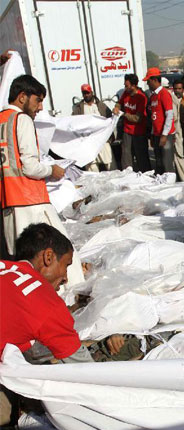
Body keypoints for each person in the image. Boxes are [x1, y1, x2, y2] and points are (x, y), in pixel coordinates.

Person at [0, 223, 92, 363]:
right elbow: (87, 371)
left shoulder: (4, 267)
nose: (66, 278)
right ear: (48, 257)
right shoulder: (45, 302)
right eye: (66, 265)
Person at [0, 75, 66, 258]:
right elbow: (29, 167)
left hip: (7, 202)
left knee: (20, 259)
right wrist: (52, 170)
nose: (40, 107)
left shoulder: (2, 120)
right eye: (38, 100)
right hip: (30, 201)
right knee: (55, 254)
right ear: (22, 97)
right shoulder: (22, 119)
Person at [72, 83, 116, 172]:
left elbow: (110, 120)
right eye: (84, 93)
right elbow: (74, 123)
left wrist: (110, 137)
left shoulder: (101, 105)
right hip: (88, 142)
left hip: (102, 140)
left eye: (88, 93)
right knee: (91, 167)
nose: (86, 95)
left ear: (92, 92)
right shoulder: (78, 108)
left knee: (110, 164)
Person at [113, 74, 151, 172]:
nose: (125, 88)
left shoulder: (141, 97)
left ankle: (147, 177)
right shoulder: (126, 93)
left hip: (139, 133)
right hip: (127, 131)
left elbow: (137, 118)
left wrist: (123, 114)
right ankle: (127, 177)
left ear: (133, 86)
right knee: (126, 157)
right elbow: (120, 103)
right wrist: (117, 107)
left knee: (142, 159)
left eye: (127, 85)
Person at [143, 67, 175, 174]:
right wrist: (153, 134)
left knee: (167, 164)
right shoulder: (153, 97)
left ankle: (171, 186)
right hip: (157, 135)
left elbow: (169, 115)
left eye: (148, 81)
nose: (147, 83)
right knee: (159, 164)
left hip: (165, 135)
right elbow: (154, 117)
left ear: (155, 80)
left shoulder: (164, 94)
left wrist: (164, 135)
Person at [171, 79, 184, 181]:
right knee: (178, 155)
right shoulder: (171, 99)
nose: (177, 91)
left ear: (183, 89)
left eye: (179, 88)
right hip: (176, 132)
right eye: (175, 88)